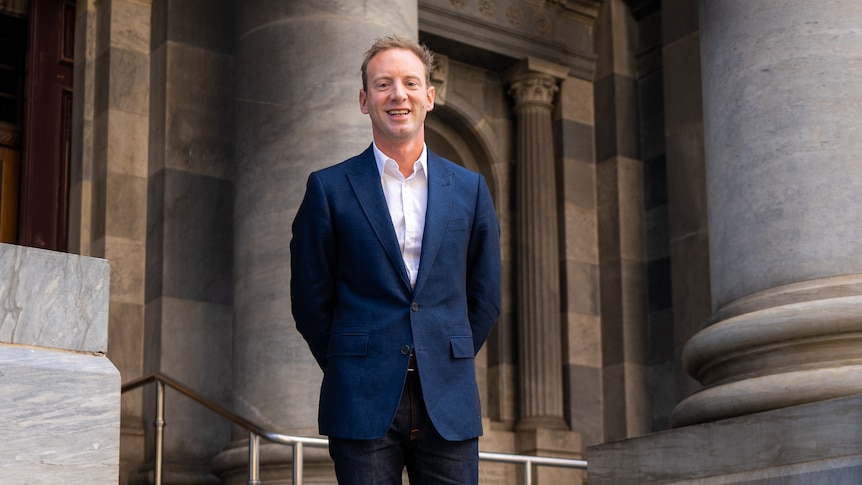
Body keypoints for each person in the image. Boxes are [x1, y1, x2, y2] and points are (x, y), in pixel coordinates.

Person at [290, 35, 502, 484]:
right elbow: (310, 300)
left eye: (410, 82)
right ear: (365, 101)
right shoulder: (328, 189)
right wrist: (353, 360)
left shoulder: (470, 189)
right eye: (383, 84)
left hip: (448, 397)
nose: (397, 94)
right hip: (360, 397)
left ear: (430, 95)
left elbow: (485, 296)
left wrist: (442, 353)